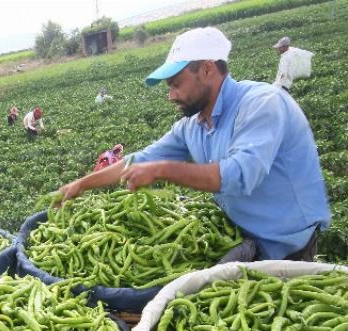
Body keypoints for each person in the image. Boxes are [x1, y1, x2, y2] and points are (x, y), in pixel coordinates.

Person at [57, 27, 330, 261]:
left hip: (287, 245)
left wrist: (163, 170)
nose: (171, 95)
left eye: (176, 84)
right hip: (241, 234)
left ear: (208, 69)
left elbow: (239, 174)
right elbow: (140, 160)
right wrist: (82, 184)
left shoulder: (261, 104)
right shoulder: (192, 125)